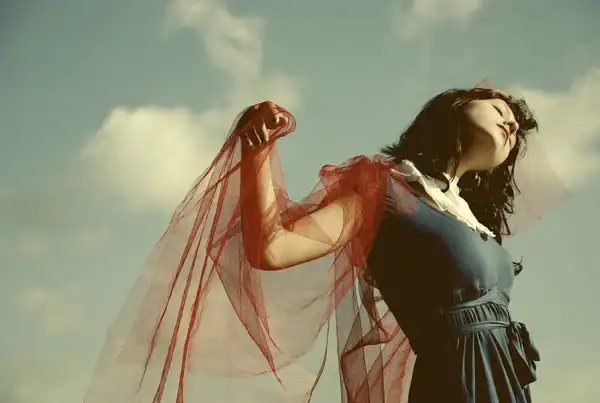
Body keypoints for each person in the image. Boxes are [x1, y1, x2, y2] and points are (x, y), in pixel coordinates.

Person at [84, 84, 560, 403]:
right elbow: (272, 247)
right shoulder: (385, 191)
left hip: (507, 383)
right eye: (500, 109)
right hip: (457, 383)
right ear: (453, 108)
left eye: (516, 130)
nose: (511, 125)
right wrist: (257, 150)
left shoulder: (471, 219)